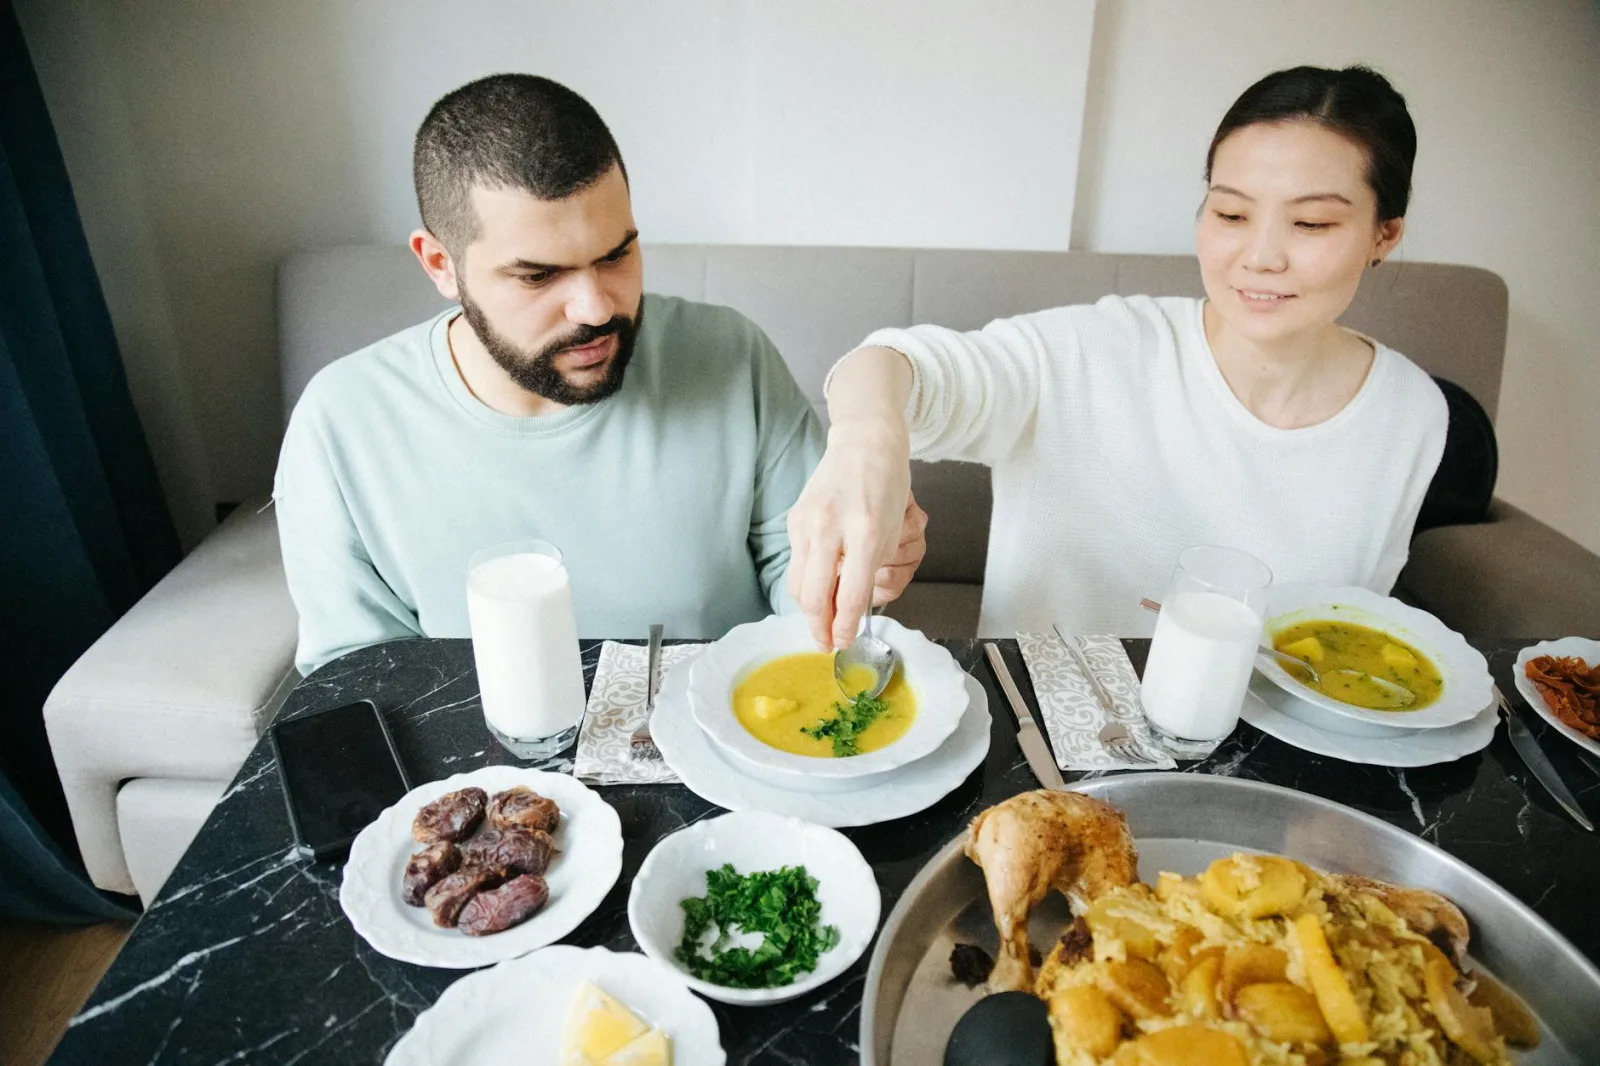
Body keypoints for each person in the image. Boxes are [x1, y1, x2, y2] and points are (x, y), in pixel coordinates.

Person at [274, 74, 925, 674]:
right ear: (440, 264)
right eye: (538, 274)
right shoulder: (343, 422)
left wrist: (858, 572)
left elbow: (809, 598)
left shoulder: (730, 354)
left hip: (723, 752)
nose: (595, 308)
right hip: (487, 777)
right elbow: (360, 681)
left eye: (617, 256)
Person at [787, 65, 1447, 650]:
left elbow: (1354, 629)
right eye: (1231, 214)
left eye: (1311, 224)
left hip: (1280, 753)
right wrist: (869, 441)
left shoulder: (1410, 412)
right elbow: (903, 367)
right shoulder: (1099, 351)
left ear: (1384, 235)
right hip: (1044, 746)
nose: (1261, 255)